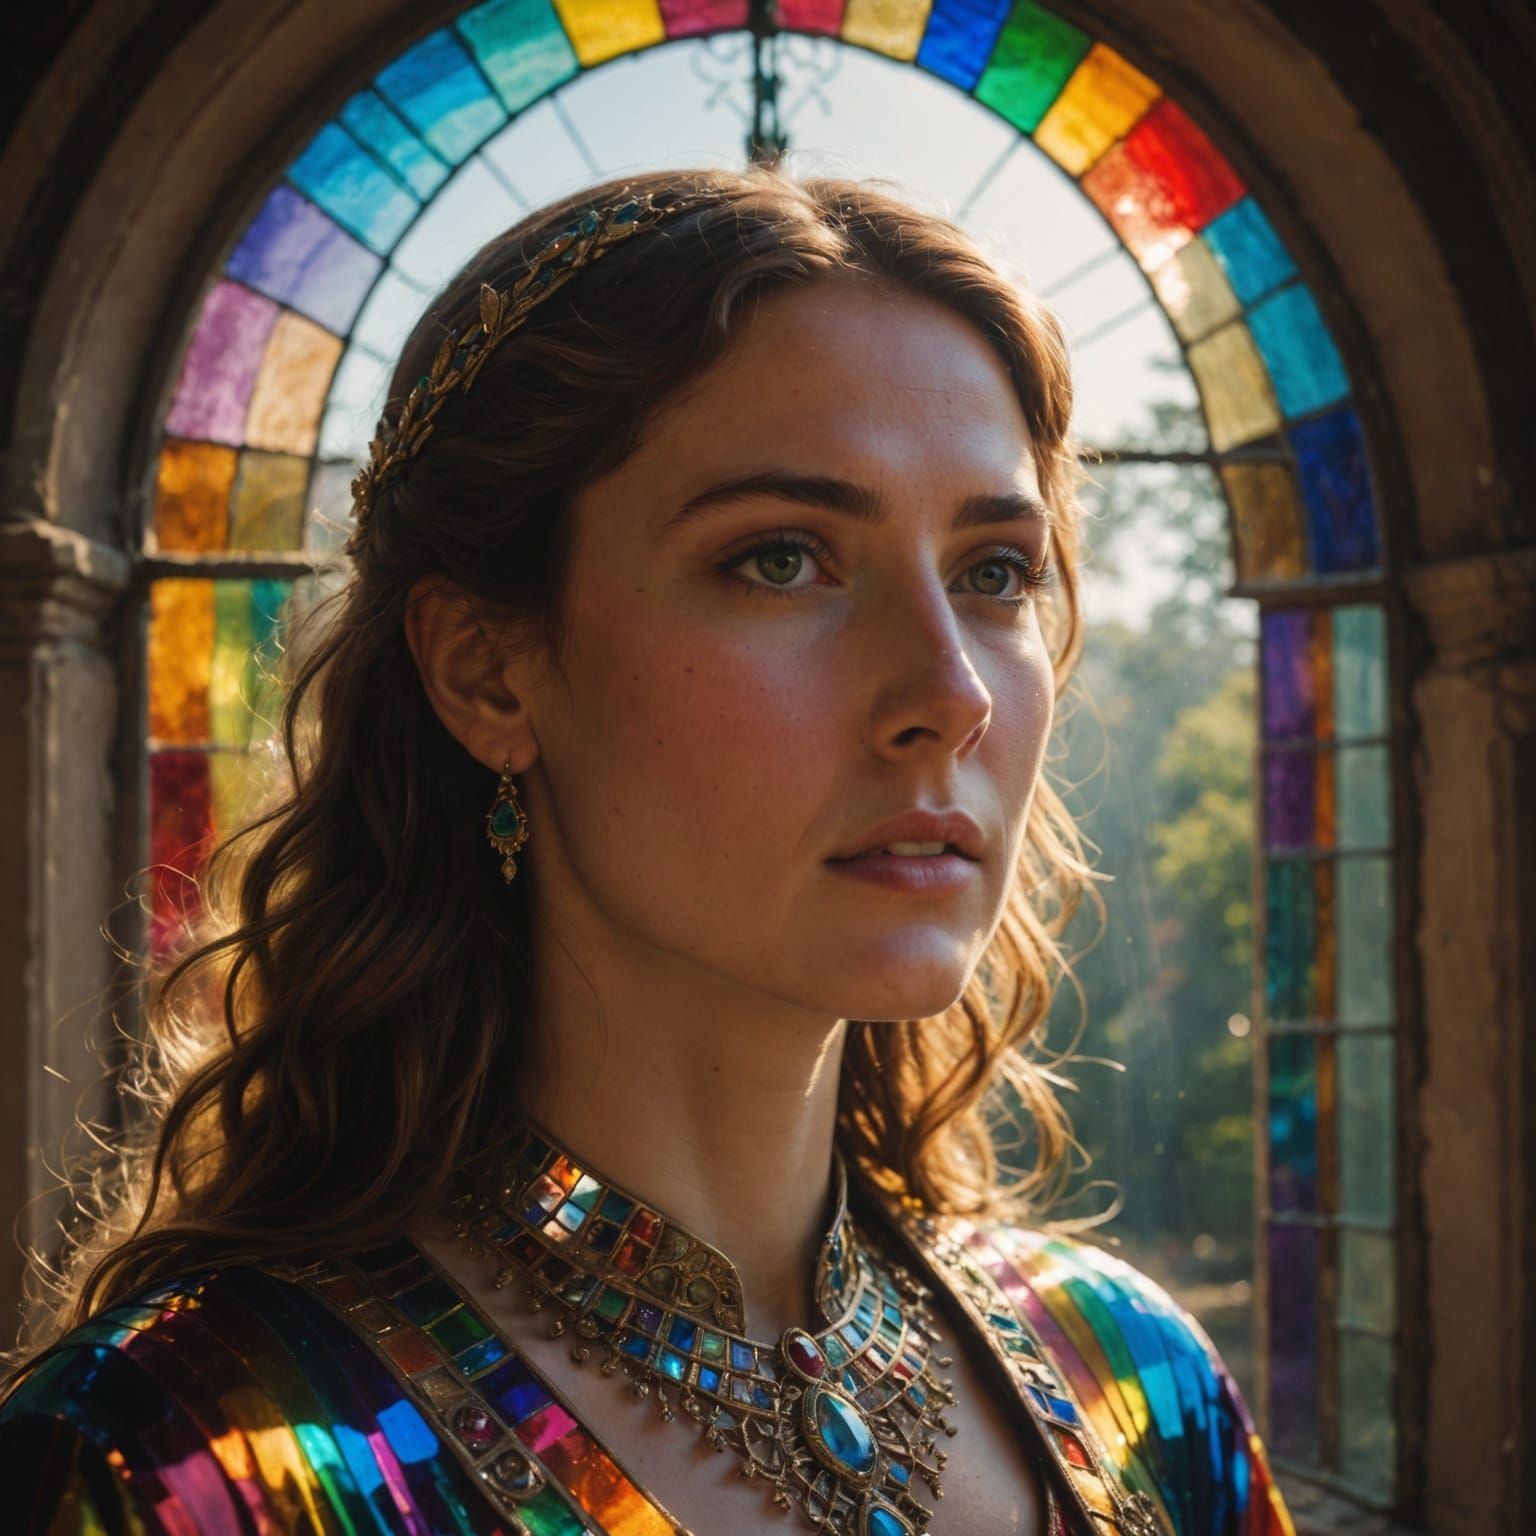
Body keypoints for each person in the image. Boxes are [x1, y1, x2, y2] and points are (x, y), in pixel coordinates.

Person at [0, 164, 1293, 1536]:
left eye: (994, 572)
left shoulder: (1135, 1390)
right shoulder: (181, 1462)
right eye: (782, 559)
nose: (953, 693)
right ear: (488, 671)